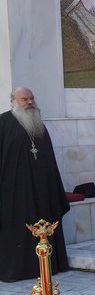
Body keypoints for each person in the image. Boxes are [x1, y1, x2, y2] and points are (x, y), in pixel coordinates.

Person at [0, 88, 71, 282]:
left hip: (41, 192)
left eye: (31, 98)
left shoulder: (38, 125)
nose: (30, 102)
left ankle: (47, 265)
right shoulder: (3, 122)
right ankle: (19, 270)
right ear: (13, 101)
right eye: (24, 99)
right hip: (14, 192)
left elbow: (49, 160)